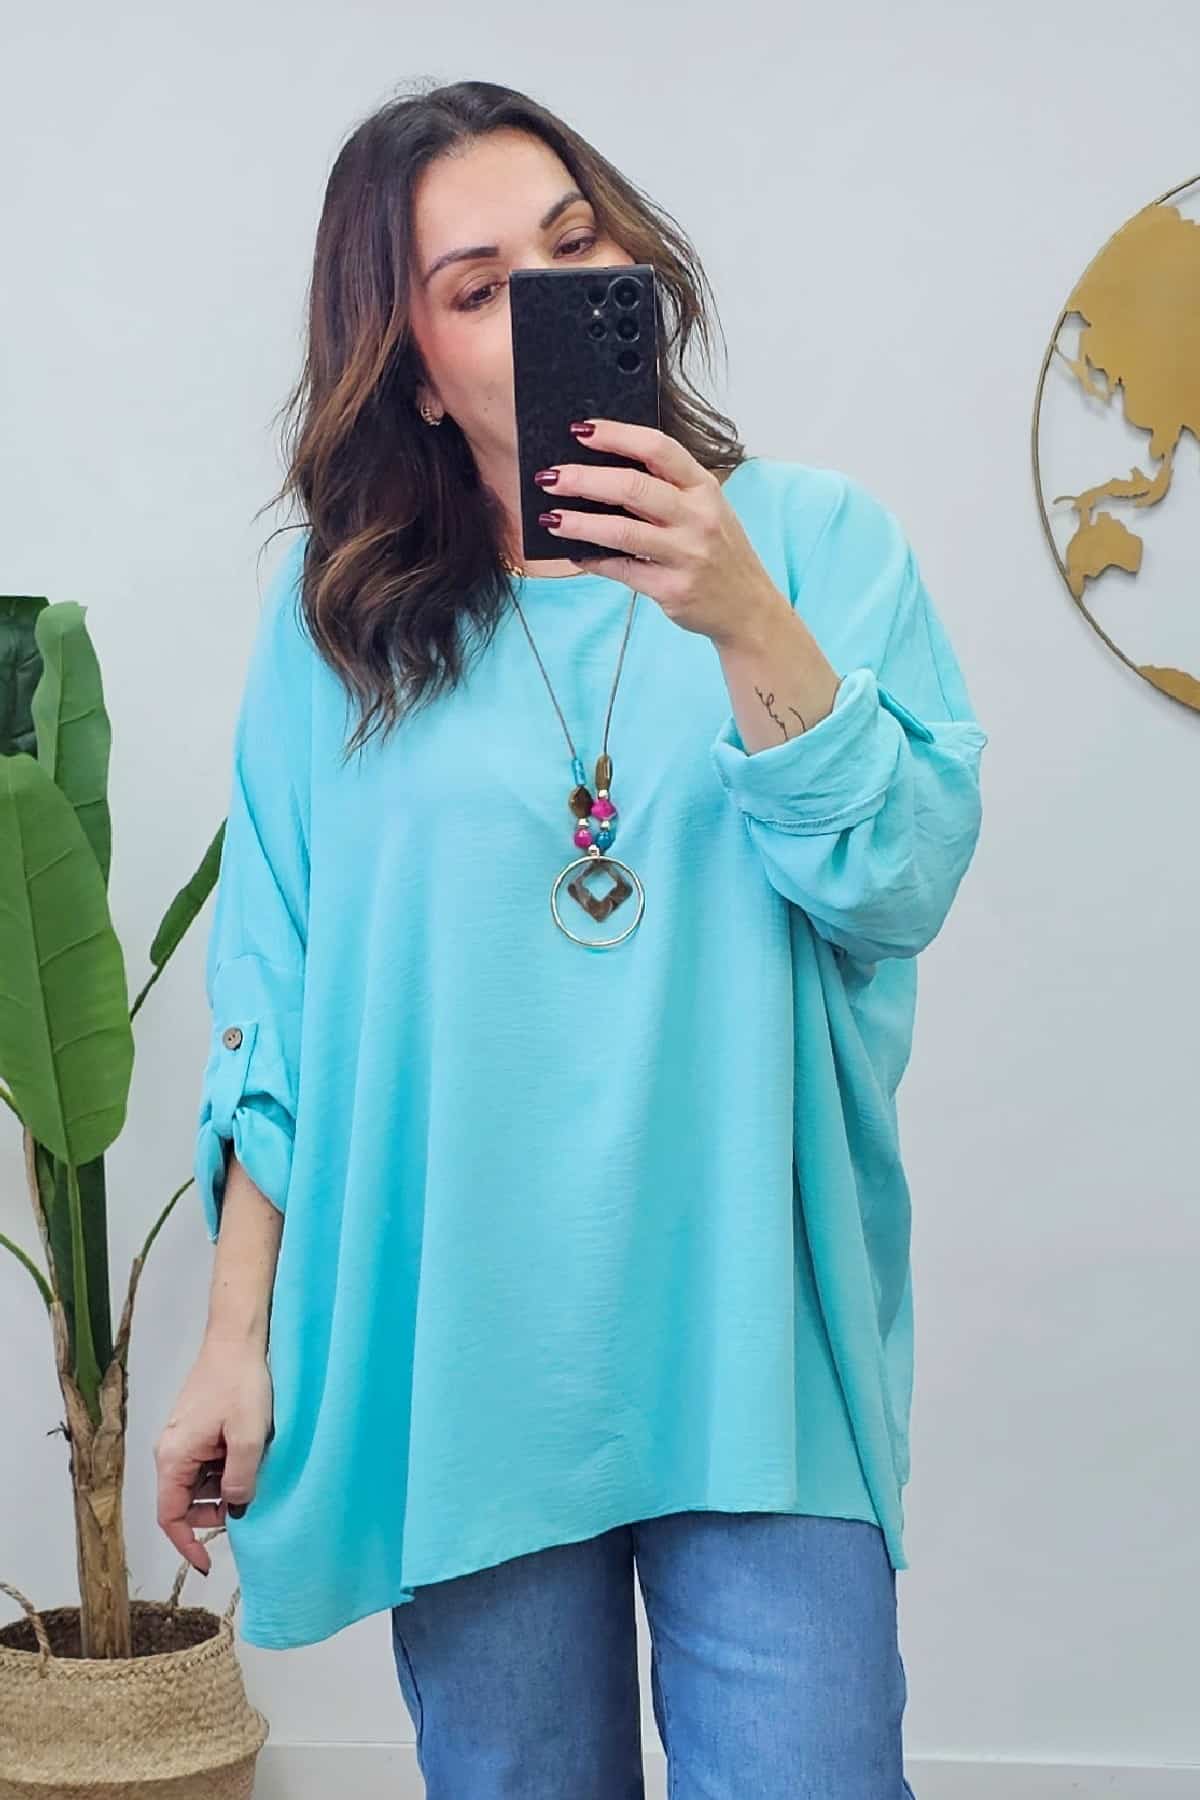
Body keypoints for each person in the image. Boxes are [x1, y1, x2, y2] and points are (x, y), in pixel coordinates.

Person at [154, 78, 988, 1799]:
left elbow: (898, 883)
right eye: (477, 289)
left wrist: (741, 614)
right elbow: (275, 994)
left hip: (756, 1342)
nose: (544, 300)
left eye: (573, 244)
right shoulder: (340, 629)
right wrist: (234, 1337)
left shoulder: (815, 544)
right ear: (410, 364)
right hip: (468, 1356)